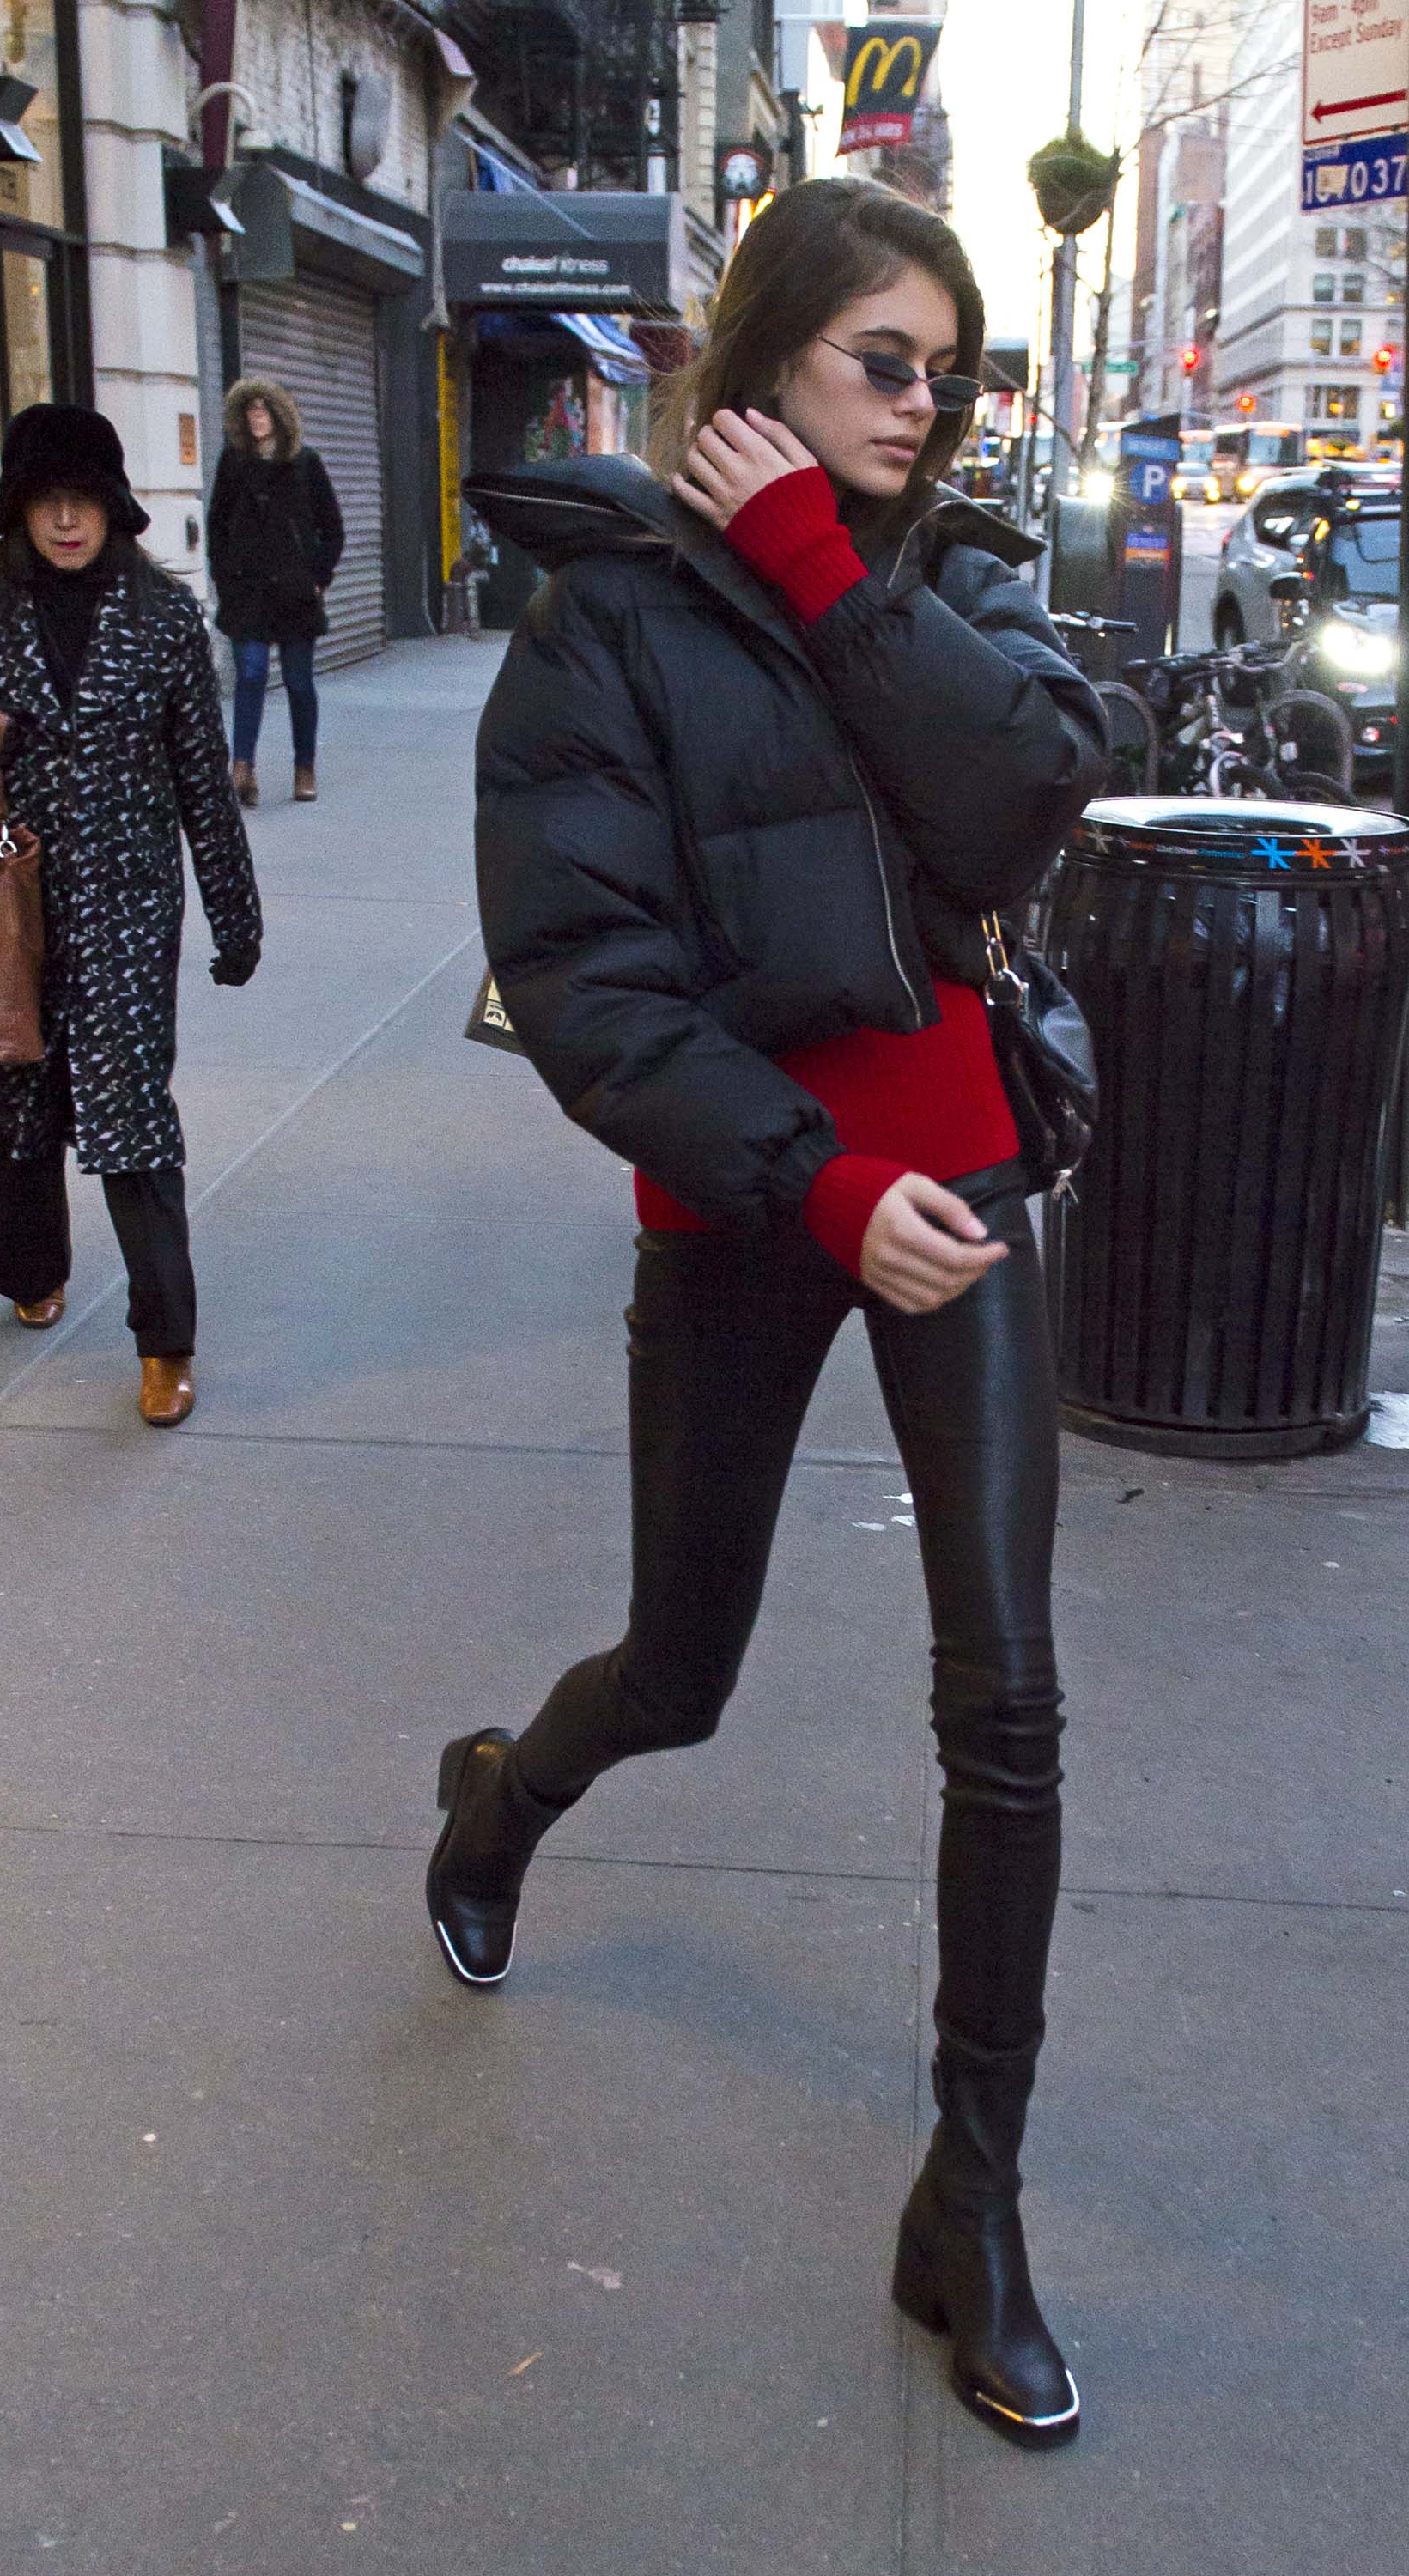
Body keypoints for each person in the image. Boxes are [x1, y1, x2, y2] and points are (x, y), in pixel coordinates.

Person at [436, 179, 1107, 2451]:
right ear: (761, 370)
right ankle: (508, 1799)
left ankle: (974, 2198)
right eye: (882, 365)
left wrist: (834, 565)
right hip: (756, 1202)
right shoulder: (606, 620)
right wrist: (820, 1181)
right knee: (686, 1670)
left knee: (1007, 1703)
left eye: (953, 369)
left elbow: (1022, 803)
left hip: (972, 1191)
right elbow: (582, 976)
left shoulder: (955, 571)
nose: (930, 406)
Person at [0, 404, 262, 1427]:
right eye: (49, 502)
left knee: (131, 1112)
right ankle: (33, 1267)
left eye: (85, 502)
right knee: (20, 1089)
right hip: (11, 892)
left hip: (127, 901)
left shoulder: (163, 617)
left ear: (114, 508)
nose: (68, 521)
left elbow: (201, 783)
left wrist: (233, 913)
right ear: (20, 509)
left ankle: (165, 1340)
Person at [205, 377, 343, 807]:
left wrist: (316, 576)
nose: (257, 417)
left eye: (264, 410)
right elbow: (217, 526)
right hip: (247, 592)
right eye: (250, 411)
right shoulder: (233, 462)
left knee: (299, 683)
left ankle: (305, 766)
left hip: (294, 593)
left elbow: (333, 529)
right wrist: (225, 579)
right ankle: (242, 769)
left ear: (280, 416)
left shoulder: (306, 463)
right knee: (249, 675)